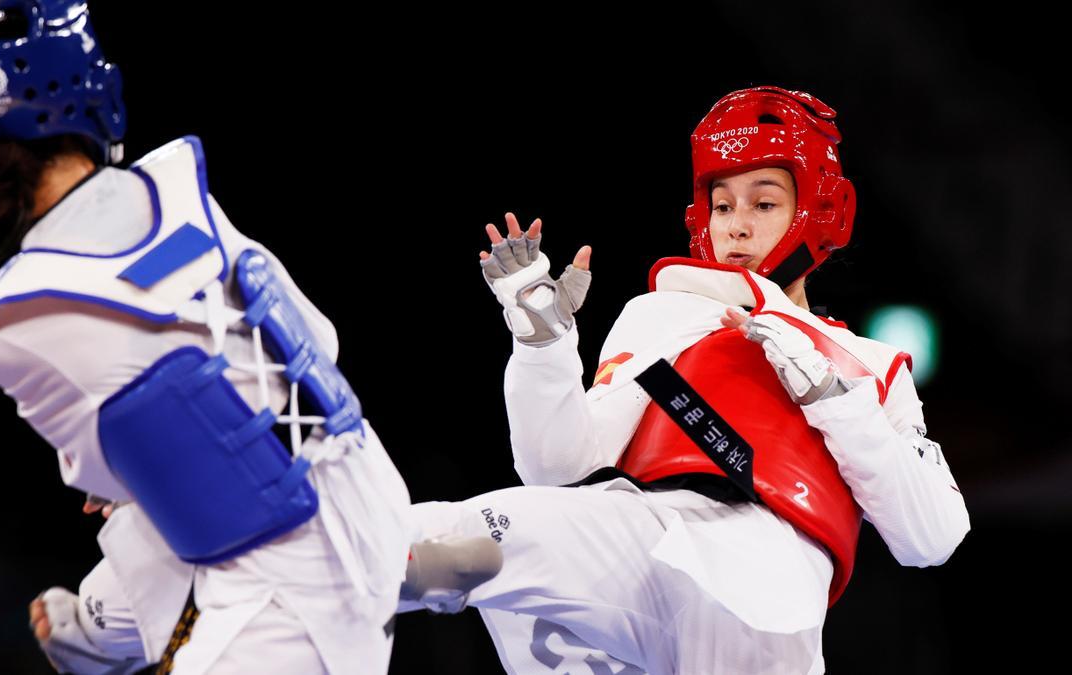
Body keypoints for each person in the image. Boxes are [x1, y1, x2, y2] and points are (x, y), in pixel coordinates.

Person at [0, 2, 498, 673]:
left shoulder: (10, 317)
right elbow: (321, 338)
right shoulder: (179, 183)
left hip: (288, 590)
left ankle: (105, 627)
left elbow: (118, 478)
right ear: (95, 95)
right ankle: (394, 557)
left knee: (144, 496)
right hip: (371, 483)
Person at [408, 86, 971, 674]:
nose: (737, 228)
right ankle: (320, 561)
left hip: (765, 585)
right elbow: (555, 469)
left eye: (763, 204)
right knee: (473, 532)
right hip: (642, 536)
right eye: (722, 207)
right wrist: (543, 346)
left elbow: (932, 537)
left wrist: (831, 396)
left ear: (821, 212)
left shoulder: (872, 365)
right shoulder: (666, 312)